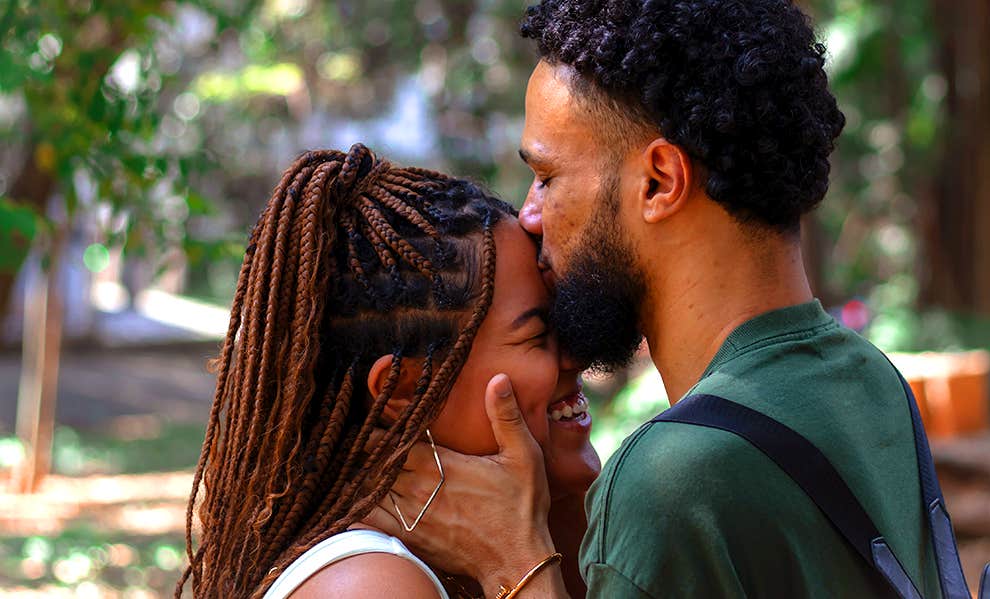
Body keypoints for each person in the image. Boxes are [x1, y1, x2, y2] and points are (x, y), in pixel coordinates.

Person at [386, 1, 946, 597]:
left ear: (659, 182)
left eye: (547, 177)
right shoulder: (872, 381)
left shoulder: (671, 485)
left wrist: (514, 565)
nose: (529, 215)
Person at [176, 144, 600, 599]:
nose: (576, 356)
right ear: (405, 392)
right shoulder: (370, 585)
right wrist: (517, 562)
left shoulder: (533, 525)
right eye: (538, 337)